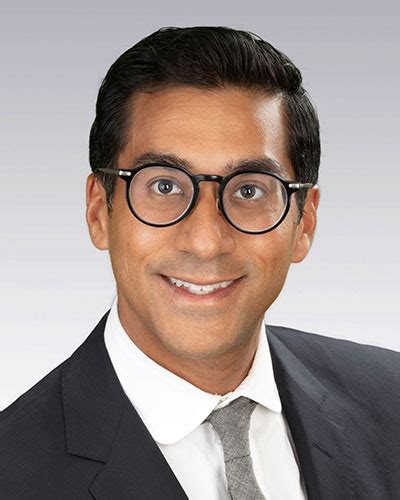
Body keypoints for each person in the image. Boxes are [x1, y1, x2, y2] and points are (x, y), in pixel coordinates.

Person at [0, 26, 399, 500]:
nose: (207, 242)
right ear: (98, 212)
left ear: (304, 221)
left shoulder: (390, 401)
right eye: (164, 186)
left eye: (249, 190)